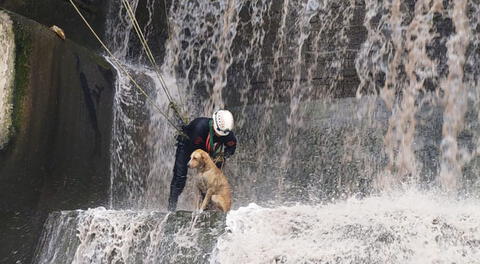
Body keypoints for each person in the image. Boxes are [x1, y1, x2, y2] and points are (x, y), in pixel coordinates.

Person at [167, 109, 237, 211]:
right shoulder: (199, 128)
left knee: (211, 182)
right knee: (180, 177)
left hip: (208, 155)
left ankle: (206, 209)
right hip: (188, 147)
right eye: (218, 133)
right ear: (213, 123)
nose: (219, 136)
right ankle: (171, 208)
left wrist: (223, 156)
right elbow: (196, 151)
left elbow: (231, 147)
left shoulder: (226, 134)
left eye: (222, 135)